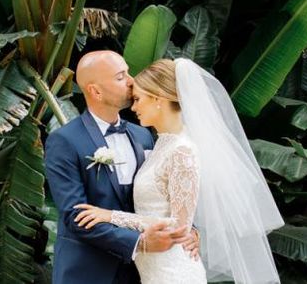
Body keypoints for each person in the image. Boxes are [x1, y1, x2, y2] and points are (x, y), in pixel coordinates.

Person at [74, 58, 284, 284]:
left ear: (158, 99)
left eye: (137, 99)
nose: (133, 107)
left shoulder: (183, 150)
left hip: (174, 273)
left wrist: (110, 216)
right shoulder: (162, 143)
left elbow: (177, 226)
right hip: (156, 270)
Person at [44, 51, 195, 284]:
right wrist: (138, 242)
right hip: (87, 272)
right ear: (95, 91)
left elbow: (165, 190)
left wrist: (186, 229)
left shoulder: (143, 135)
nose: (132, 81)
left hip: (142, 272)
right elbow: (75, 216)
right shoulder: (64, 141)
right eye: (120, 76)